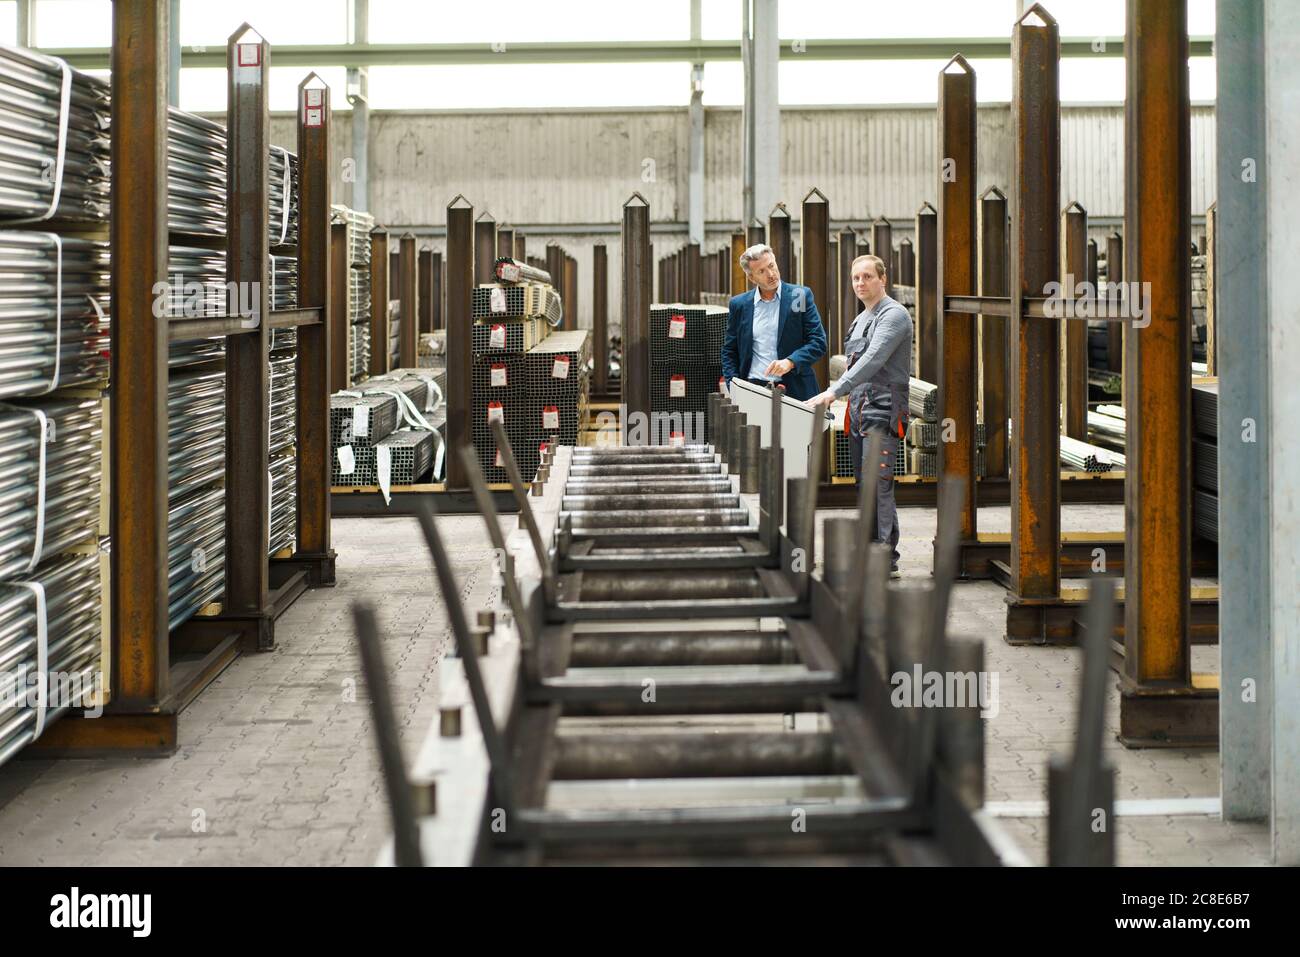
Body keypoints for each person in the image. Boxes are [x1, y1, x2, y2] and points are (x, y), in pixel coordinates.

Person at [809, 254, 912, 576]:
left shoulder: (894, 316)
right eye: (856, 278)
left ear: (883, 278)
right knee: (864, 483)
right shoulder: (861, 318)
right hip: (859, 408)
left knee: (876, 484)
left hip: (882, 409)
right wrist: (842, 394)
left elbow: (873, 359)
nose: (861, 283)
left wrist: (833, 391)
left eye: (868, 276)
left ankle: (882, 558)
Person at [721, 244, 827, 401]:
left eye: (771, 265)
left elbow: (818, 342)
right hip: (753, 390)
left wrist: (791, 362)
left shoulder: (799, 296)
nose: (770, 274)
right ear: (751, 277)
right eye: (761, 271)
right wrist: (734, 386)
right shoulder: (739, 305)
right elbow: (730, 351)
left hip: (795, 389)